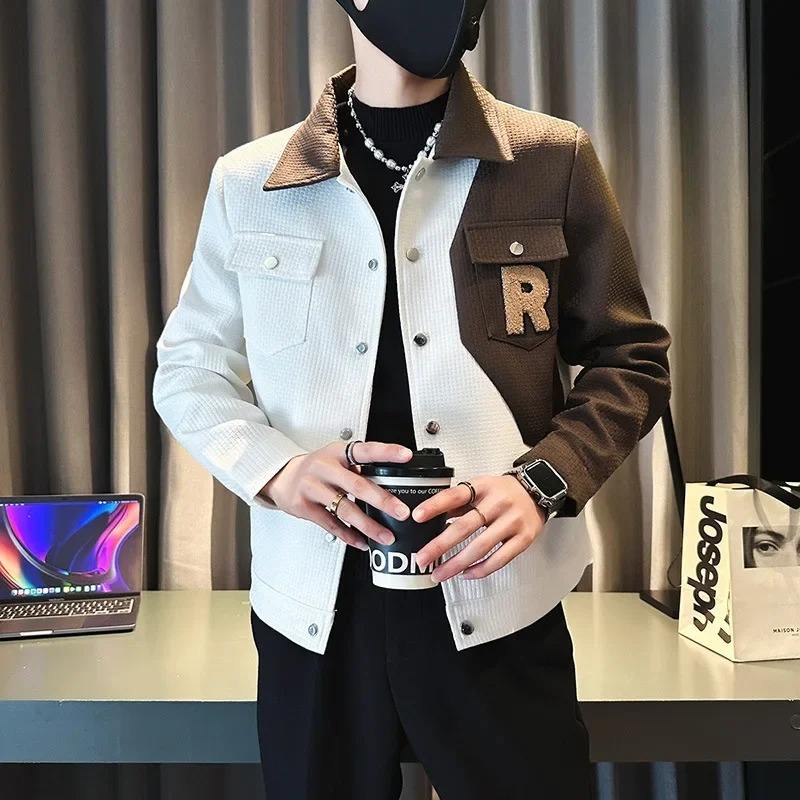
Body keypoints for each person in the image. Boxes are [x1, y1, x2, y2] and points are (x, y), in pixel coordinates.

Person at [152, 1, 672, 798]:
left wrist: (542, 483)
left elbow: (629, 359)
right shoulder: (249, 180)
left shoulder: (550, 158)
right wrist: (277, 471)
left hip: (499, 602)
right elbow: (189, 366)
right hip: (314, 613)